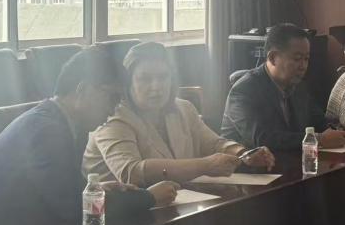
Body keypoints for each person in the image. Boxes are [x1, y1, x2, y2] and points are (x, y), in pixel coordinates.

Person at [0, 46, 178, 225]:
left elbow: (62, 191)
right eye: (112, 98)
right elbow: (76, 209)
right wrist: (148, 197)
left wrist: (98, 189)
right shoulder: (48, 131)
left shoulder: (58, 121)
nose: (113, 109)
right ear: (82, 90)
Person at [84, 42, 275, 185]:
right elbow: (131, 172)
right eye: (145, 79)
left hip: (176, 202)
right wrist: (205, 165)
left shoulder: (183, 108)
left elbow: (213, 144)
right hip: (114, 215)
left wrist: (243, 154)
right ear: (128, 84)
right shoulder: (111, 117)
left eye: (163, 77)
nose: (156, 87)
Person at [221, 23, 345, 151]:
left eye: (306, 59)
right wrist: (319, 139)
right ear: (273, 58)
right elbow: (262, 139)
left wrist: (339, 131)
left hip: (292, 160)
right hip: (248, 162)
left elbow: (319, 121)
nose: (303, 66)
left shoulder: (298, 86)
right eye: (297, 59)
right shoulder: (243, 91)